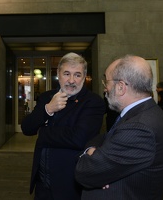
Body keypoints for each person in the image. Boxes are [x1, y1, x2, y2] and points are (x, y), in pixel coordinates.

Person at [75, 55, 163, 200]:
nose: (105, 88)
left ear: (121, 87)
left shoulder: (139, 128)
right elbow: (104, 137)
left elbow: (85, 172)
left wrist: (91, 155)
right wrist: (92, 151)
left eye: (107, 82)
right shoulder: (144, 113)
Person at [21, 52, 105, 200]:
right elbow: (27, 128)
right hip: (42, 183)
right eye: (66, 74)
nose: (71, 80)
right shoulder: (47, 97)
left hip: (69, 185)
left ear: (84, 77)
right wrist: (48, 109)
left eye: (77, 75)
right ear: (58, 74)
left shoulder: (93, 102)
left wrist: (43, 131)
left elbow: (79, 138)